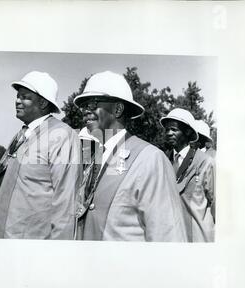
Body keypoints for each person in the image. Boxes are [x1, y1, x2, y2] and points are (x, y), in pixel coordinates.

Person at [73, 71, 187, 242]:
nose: (85, 111)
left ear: (118, 109)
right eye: (84, 105)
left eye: (93, 103)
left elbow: (167, 236)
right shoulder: (94, 158)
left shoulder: (151, 159)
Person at [0, 71, 81, 239]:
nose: (17, 101)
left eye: (25, 97)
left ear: (42, 103)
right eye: (17, 96)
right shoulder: (22, 134)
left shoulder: (62, 135)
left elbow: (66, 206)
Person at [160, 109, 216, 242]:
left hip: (197, 238)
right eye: (167, 130)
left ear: (188, 132)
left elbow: (216, 203)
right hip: (171, 237)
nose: (169, 133)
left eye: (174, 129)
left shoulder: (205, 162)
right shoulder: (163, 160)